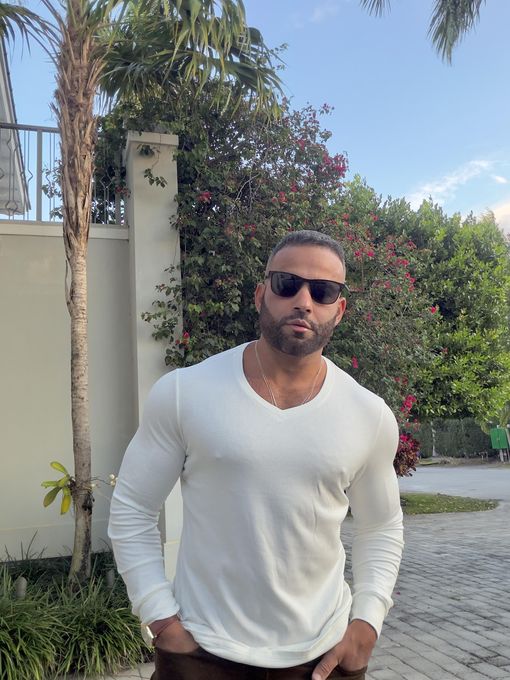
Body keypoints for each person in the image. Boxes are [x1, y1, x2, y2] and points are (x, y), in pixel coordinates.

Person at [108, 229, 404, 680]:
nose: (304, 301)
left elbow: (380, 526)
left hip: (321, 656)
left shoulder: (368, 415)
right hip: (200, 652)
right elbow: (132, 508)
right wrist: (160, 618)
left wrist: (366, 623)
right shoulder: (186, 392)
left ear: (339, 310)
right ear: (261, 294)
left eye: (323, 291)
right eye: (288, 284)